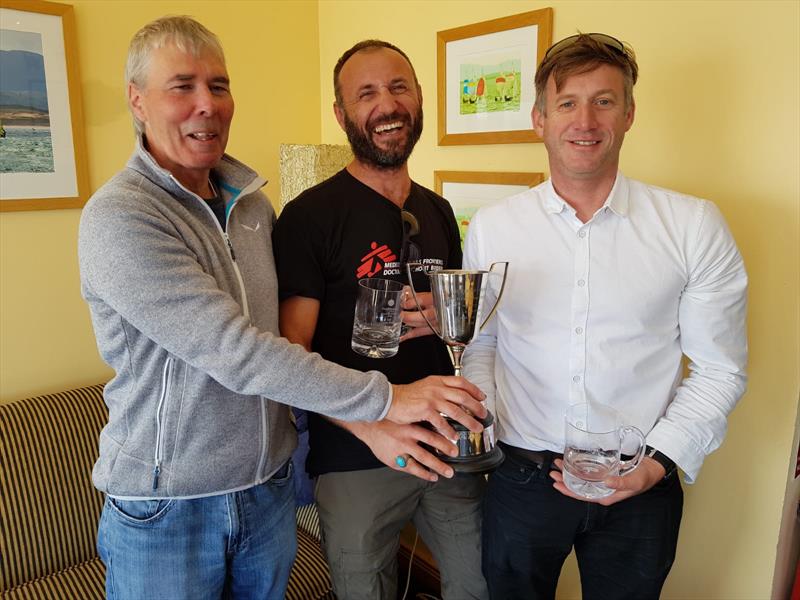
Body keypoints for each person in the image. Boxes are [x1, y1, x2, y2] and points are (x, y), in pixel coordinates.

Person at [77, 18, 487, 600]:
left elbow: (271, 337)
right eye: (182, 86)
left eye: (218, 86)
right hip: (172, 505)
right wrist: (387, 402)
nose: (205, 105)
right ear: (137, 100)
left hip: (267, 488)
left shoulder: (251, 208)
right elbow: (239, 352)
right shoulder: (122, 217)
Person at [462, 33, 748, 600]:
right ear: (539, 118)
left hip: (642, 479)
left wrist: (657, 464)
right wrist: (482, 425)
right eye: (567, 103)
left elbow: (720, 369)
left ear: (630, 113)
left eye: (605, 100)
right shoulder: (493, 227)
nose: (585, 120)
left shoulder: (693, 226)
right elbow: (482, 344)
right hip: (522, 477)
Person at [273, 40, 489, 600]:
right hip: (354, 454)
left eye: (398, 88)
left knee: (479, 584)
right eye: (366, 93)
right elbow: (290, 352)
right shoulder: (308, 217)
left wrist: (446, 316)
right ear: (342, 115)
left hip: (445, 444)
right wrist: (370, 425)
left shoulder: (438, 210)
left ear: (418, 99)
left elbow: (456, 330)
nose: (386, 105)